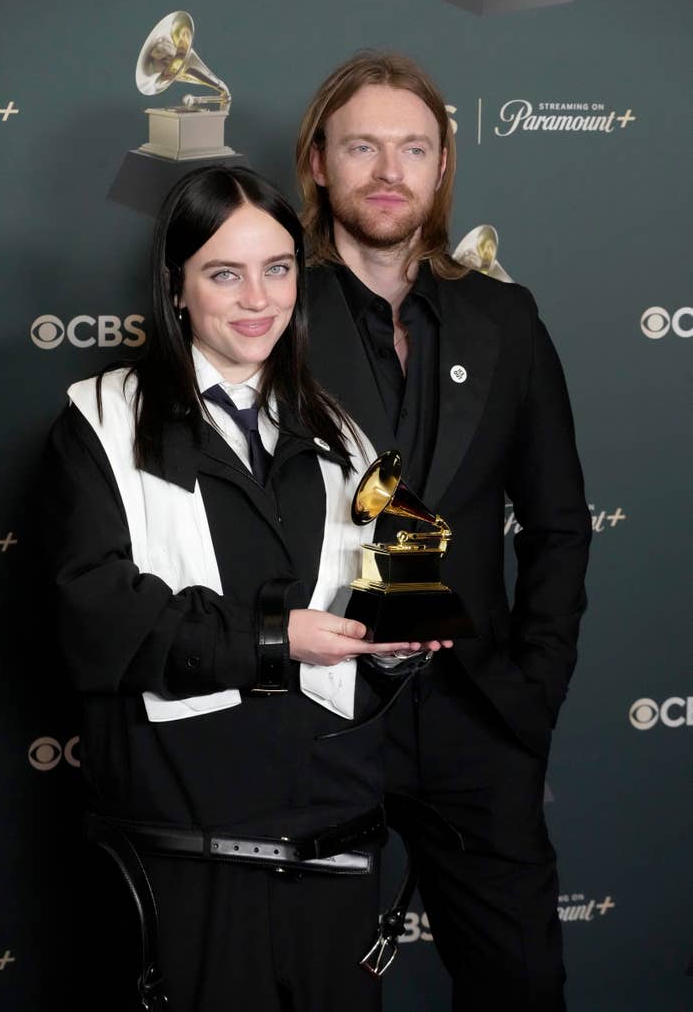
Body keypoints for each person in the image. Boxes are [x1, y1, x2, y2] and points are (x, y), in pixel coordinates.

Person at [43, 165, 447, 1012]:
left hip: (335, 859)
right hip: (188, 860)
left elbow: (359, 626)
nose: (258, 299)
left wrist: (394, 647)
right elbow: (98, 614)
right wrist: (274, 639)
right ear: (176, 287)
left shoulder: (342, 433)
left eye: (278, 268)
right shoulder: (100, 419)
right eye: (225, 273)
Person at [296, 52, 593, 1011]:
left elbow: (558, 523)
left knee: (522, 987)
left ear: (442, 165)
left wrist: (535, 687)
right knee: (318, 990)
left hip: (480, 714)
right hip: (318, 717)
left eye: (414, 148)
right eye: (363, 148)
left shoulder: (505, 316)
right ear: (318, 162)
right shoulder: (269, 311)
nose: (390, 171)